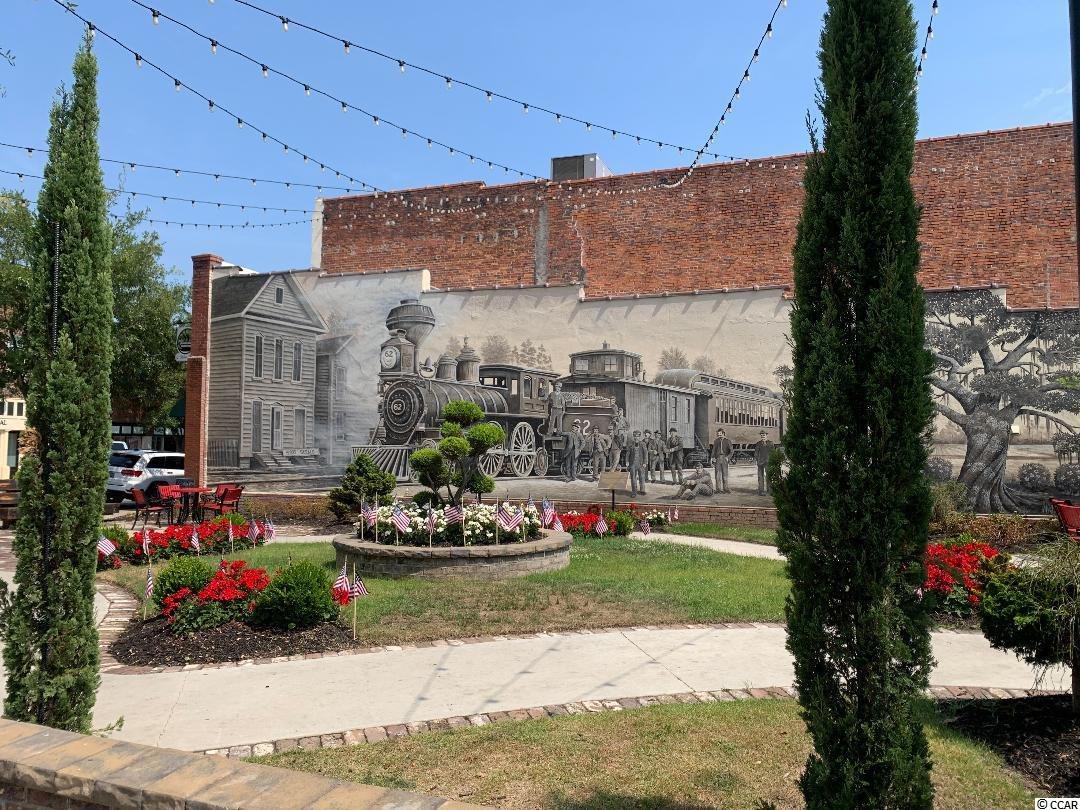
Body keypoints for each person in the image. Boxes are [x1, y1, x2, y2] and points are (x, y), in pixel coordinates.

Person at [710, 428, 733, 494]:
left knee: (725, 474)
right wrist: (712, 458)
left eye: (720, 434)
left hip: (724, 458)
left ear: (723, 434)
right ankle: (718, 489)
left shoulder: (728, 441)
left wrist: (727, 458)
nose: (719, 436)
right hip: (717, 458)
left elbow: (731, 451)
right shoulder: (716, 441)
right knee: (717, 474)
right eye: (718, 434)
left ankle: (726, 489)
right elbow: (714, 450)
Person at [627, 430, 648, 497]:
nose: (636, 438)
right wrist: (627, 462)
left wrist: (645, 462)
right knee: (633, 478)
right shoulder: (630, 444)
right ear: (633, 437)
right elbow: (628, 454)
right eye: (635, 436)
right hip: (632, 464)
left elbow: (645, 453)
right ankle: (634, 492)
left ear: (639, 437)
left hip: (641, 464)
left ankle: (642, 490)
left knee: (642, 477)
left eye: (637, 436)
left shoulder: (643, 444)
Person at [753, 430, 774, 495]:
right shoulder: (758, 443)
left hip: (768, 462)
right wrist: (756, 460)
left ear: (766, 435)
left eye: (764, 435)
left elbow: (773, 453)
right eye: (761, 435)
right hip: (760, 462)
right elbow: (756, 453)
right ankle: (761, 491)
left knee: (769, 476)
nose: (763, 436)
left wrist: (772, 460)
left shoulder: (771, 443)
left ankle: (769, 491)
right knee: (760, 477)